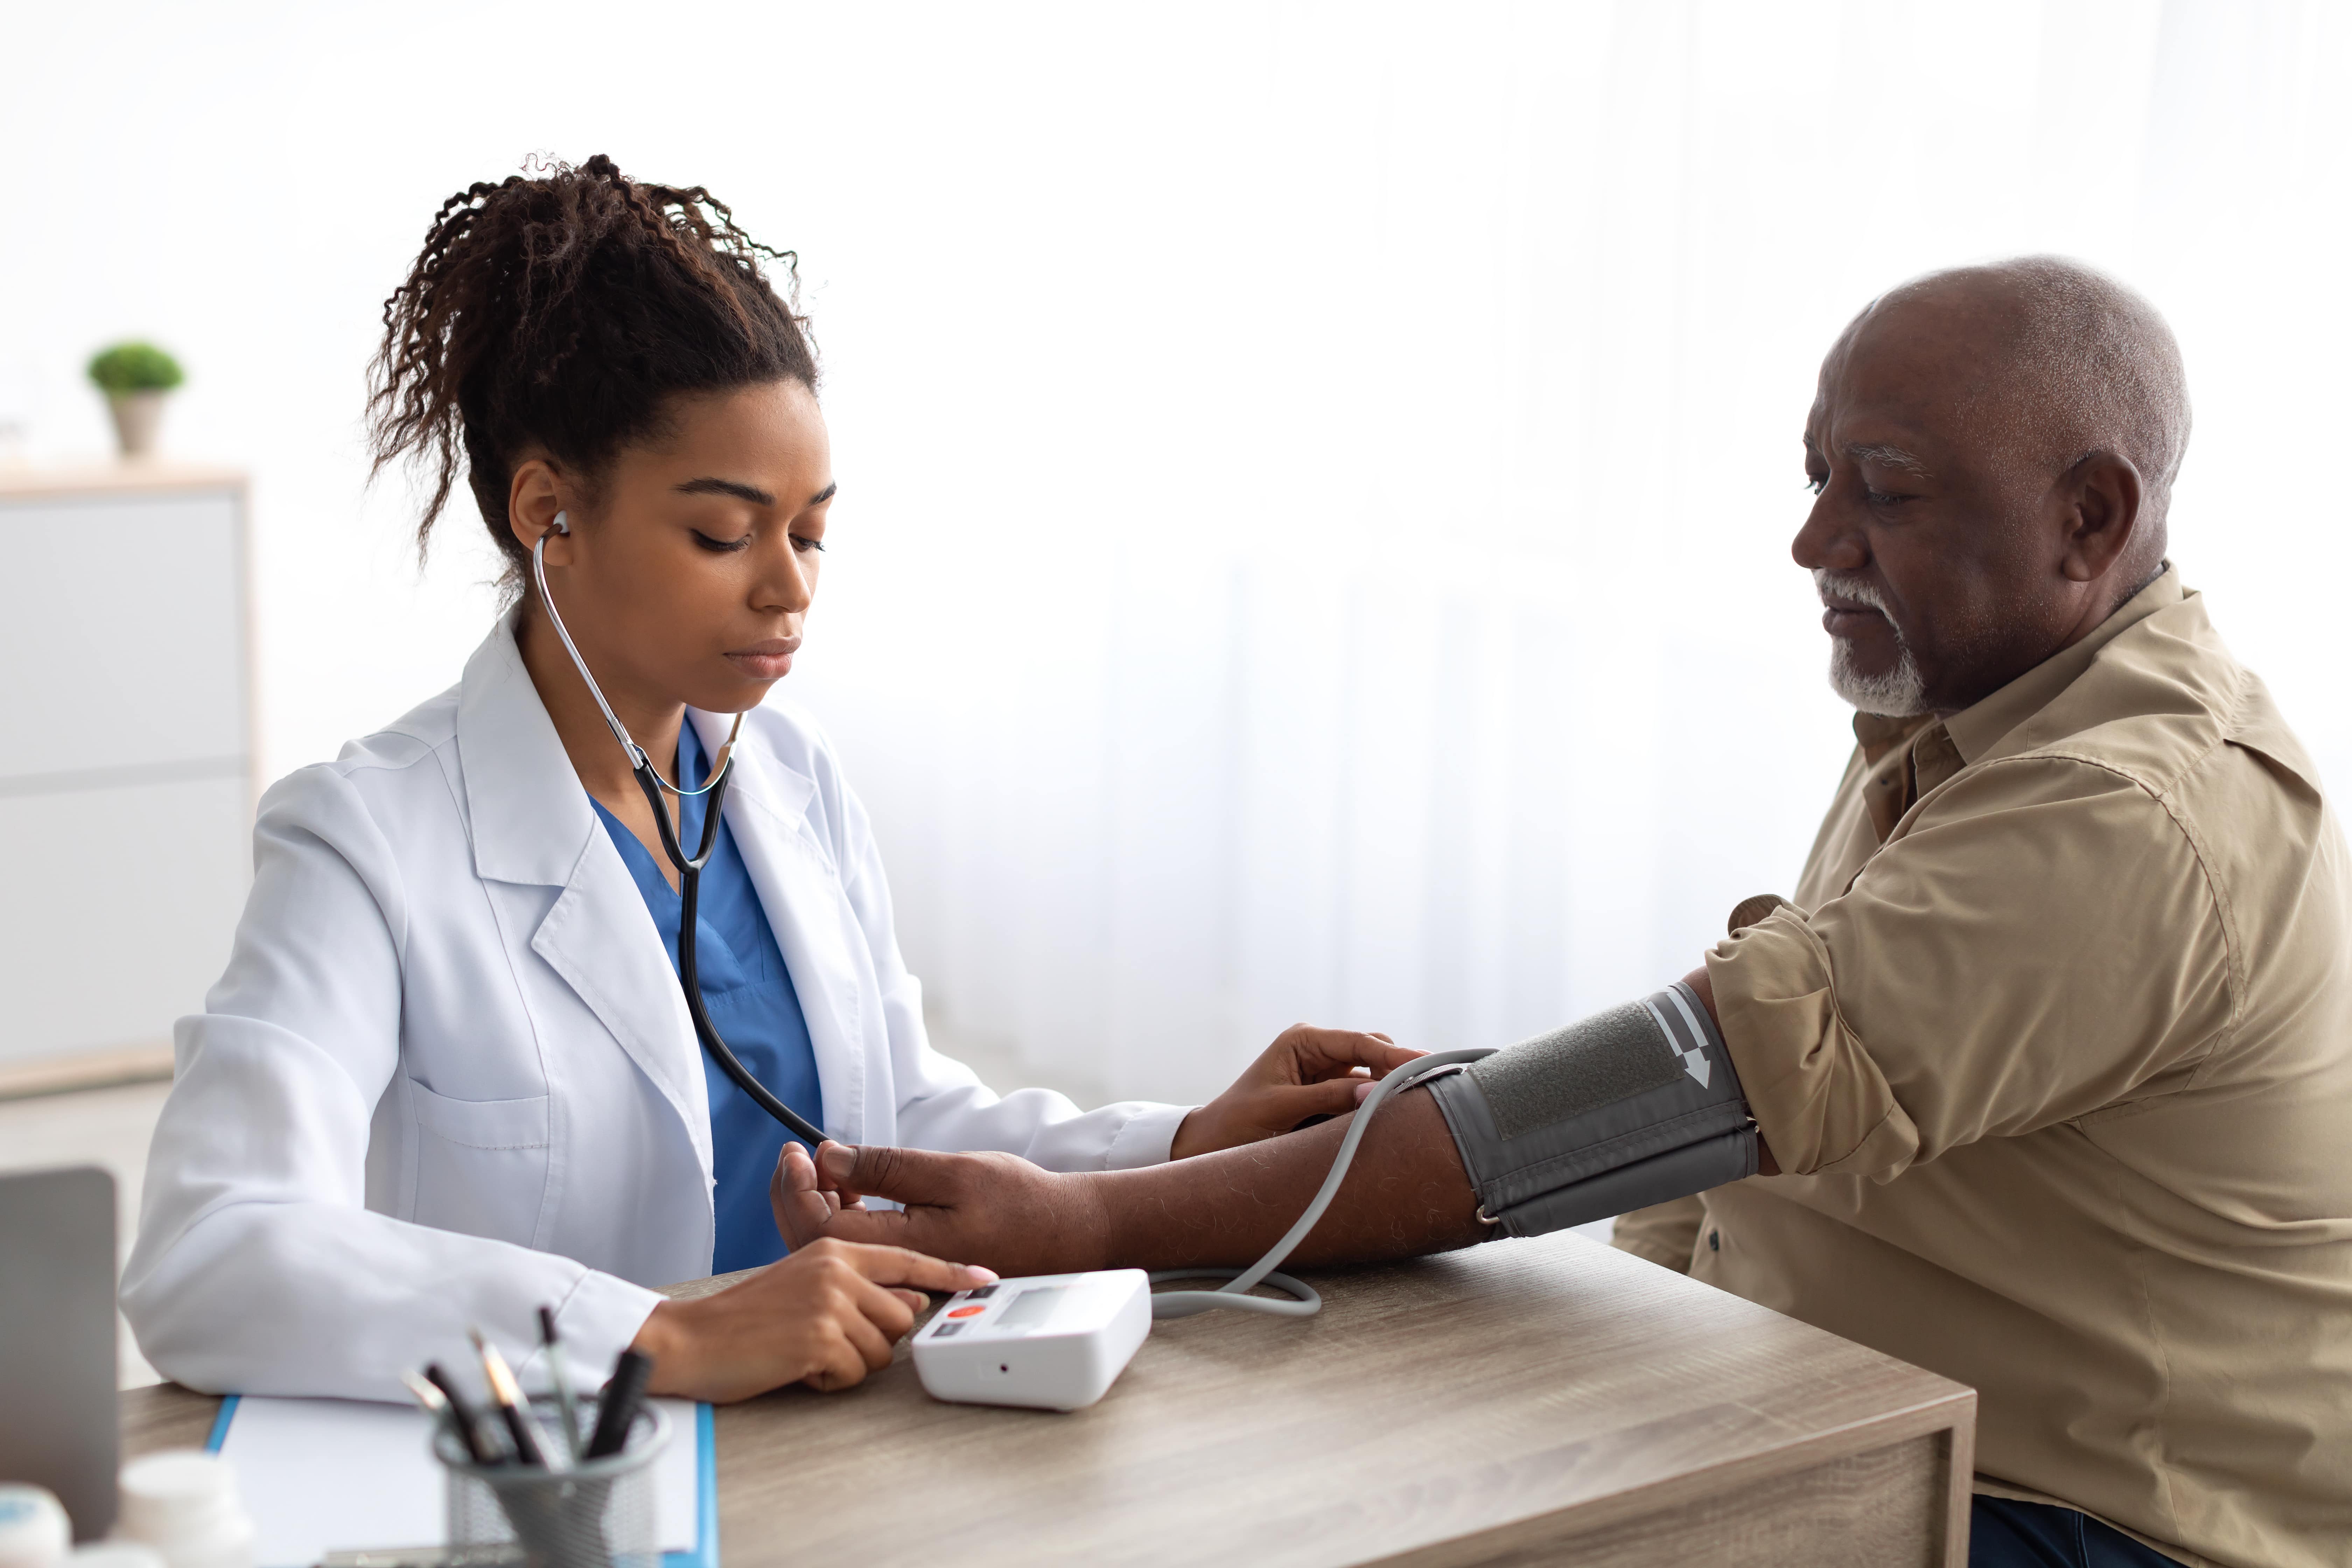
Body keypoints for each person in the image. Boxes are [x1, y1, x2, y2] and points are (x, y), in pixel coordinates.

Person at [771, 259, 2352, 1568]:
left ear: (2090, 519)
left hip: (2095, 1524)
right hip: (1880, 1410)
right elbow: (1738, 1138)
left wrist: (1093, 1220)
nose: (1815, 542)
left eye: (1883, 490)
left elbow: (1682, 1085)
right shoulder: (1974, 712)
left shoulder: (2127, 812)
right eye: (1815, 477)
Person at [122, 155, 1412, 1406]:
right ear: (545, 514)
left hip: (857, 1431)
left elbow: (893, 1109)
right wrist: (662, 1335)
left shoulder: (789, 777)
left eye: (810, 534)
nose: (788, 586)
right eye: (724, 532)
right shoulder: (365, 840)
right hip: (582, 1474)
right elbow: (211, 1249)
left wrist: (1181, 1145)